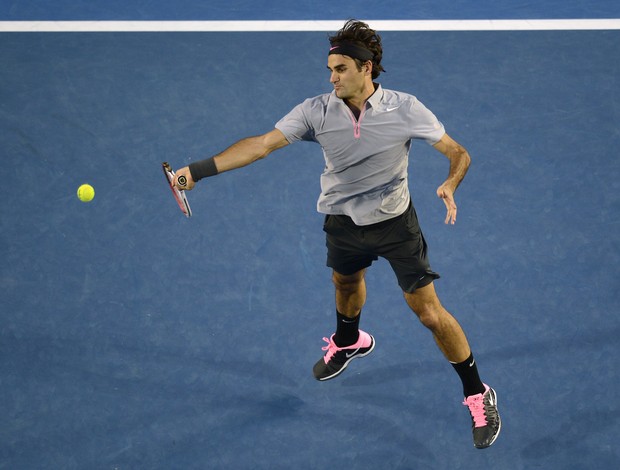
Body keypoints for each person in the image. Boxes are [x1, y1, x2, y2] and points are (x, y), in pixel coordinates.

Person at [173, 19, 501, 449]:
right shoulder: (316, 111)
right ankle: (350, 341)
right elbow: (262, 144)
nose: (332, 78)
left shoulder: (406, 108)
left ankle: (478, 392)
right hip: (343, 222)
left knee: (429, 313)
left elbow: (458, 152)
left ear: (366, 68)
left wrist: (450, 182)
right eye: (330, 69)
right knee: (345, 281)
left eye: (341, 68)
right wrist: (196, 172)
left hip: (395, 225)